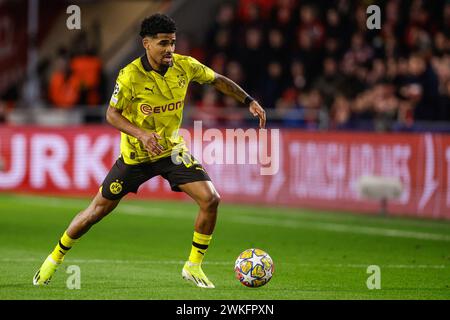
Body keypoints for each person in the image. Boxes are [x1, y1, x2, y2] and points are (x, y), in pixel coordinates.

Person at [32, 14, 266, 289]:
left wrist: (248, 100)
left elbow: (217, 80)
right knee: (95, 212)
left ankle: (193, 266)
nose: (169, 49)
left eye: (173, 43)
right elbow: (111, 114)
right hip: (136, 158)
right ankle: (53, 259)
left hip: (170, 152)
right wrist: (141, 135)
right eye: (163, 43)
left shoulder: (185, 66)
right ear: (146, 43)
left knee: (211, 199)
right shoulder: (130, 75)